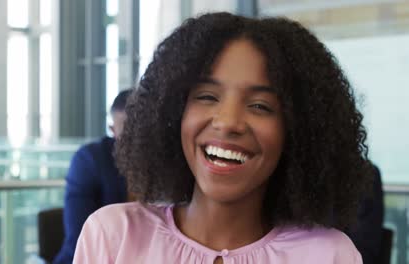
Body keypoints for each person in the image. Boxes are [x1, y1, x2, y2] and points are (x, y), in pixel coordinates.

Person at [73, 13, 374, 264]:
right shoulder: (113, 235)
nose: (228, 122)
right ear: (174, 112)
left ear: (298, 130)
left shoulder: (329, 255)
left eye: (260, 106)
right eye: (207, 96)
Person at [53, 89, 132, 264]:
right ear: (113, 130)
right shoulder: (89, 161)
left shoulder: (165, 164)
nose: (136, 137)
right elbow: (79, 240)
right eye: (127, 130)